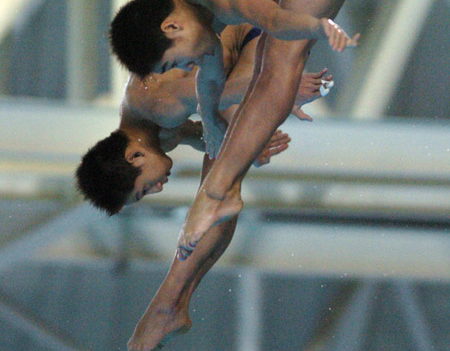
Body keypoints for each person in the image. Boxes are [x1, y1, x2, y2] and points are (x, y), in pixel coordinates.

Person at [109, 0, 384, 259]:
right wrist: (222, 127)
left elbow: (277, 23)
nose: (182, 69)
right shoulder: (199, 29)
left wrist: (318, 28)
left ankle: (215, 195)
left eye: (174, 63)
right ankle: (219, 192)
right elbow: (209, 88)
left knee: (278, 65)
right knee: (260, 84)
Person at [76, 22, 332, 214]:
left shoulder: (156, 104)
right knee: (234, 140)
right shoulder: (158, 138)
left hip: (247, 28)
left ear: (134, 156)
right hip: (243, 47)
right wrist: (249, 148)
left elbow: (220, 93)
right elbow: (207, 139)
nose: (158, 189)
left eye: (145, 189)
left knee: (229, 145)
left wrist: (284, 87)